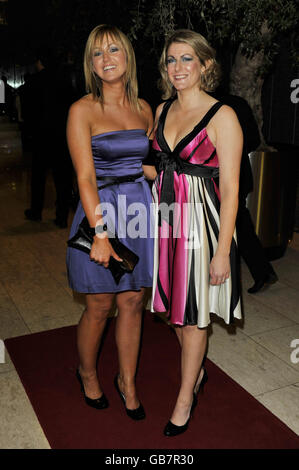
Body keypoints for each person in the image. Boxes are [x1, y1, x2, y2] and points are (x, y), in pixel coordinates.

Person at [150, 29, 243, 436]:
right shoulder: (161, 109)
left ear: (206, 64)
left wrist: (222, 251)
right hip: (165, 221)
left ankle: (186, 396)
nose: (177, 68)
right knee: (173, 312)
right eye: (171, 60)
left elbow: (231, 189)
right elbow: (156, 166)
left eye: (187, 59)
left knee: (191, 319)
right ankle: (196, 369)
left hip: (201, 226)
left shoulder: (223, 116)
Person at [66, 24, 156, 420]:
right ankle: (86, 372)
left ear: (128, 57)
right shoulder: (82, 109)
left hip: (138, 208)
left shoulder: (144, 108)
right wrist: (100, 233)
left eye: (113, 50)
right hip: (99, 208)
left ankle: (127, 381)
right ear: (91, 63)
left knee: (133, 301)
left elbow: (148, 162)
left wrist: (156, 173)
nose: (106, 59)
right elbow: (84, 177)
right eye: (97, 53)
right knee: (100, 304)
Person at [219, 94, 278, 294]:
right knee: (240, 225)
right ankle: (263, 272)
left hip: (224, 177)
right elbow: (253, 140)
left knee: (237, 225)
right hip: (239, 174)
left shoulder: (212, 105)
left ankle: (260, 272)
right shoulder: (238, 103)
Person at [24, 52, 74, 227]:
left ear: (40, 62)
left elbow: (29, 112)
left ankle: (36, 211)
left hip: (41, 137)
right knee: (63, 180)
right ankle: (61, 217)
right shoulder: (65, 81)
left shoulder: (33, 82)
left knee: (38, 177)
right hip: (62, 137)